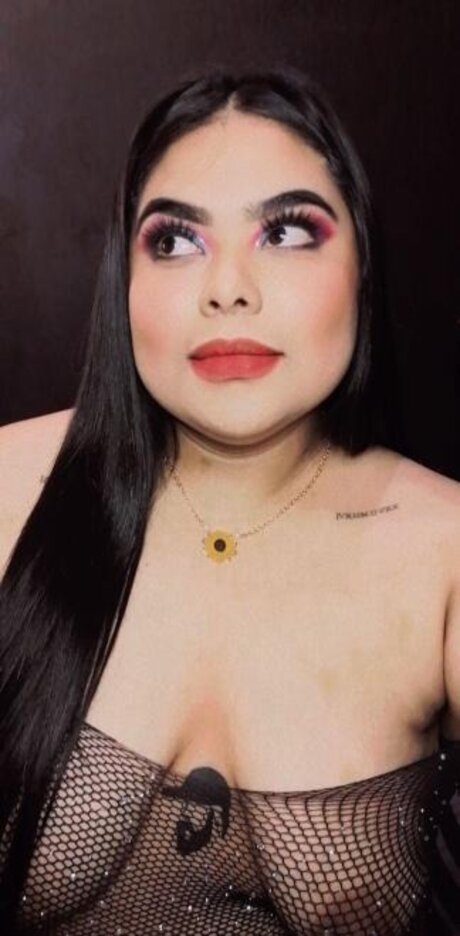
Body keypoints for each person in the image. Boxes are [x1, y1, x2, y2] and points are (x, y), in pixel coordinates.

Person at [0, 65, 459, 936]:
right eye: (176, 242)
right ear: (123, 282)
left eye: (286, 232)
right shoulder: (9, 489)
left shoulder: (444, 553)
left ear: (362, 264)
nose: (228, 288)